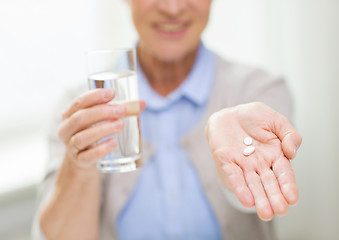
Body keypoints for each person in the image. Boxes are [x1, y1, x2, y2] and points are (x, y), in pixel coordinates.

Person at [32, 0, 302, 239]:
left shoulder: (259, 90)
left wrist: (235, 170)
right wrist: (78, 166)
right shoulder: (81, 107)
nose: (172, 8)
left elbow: (254, 197)